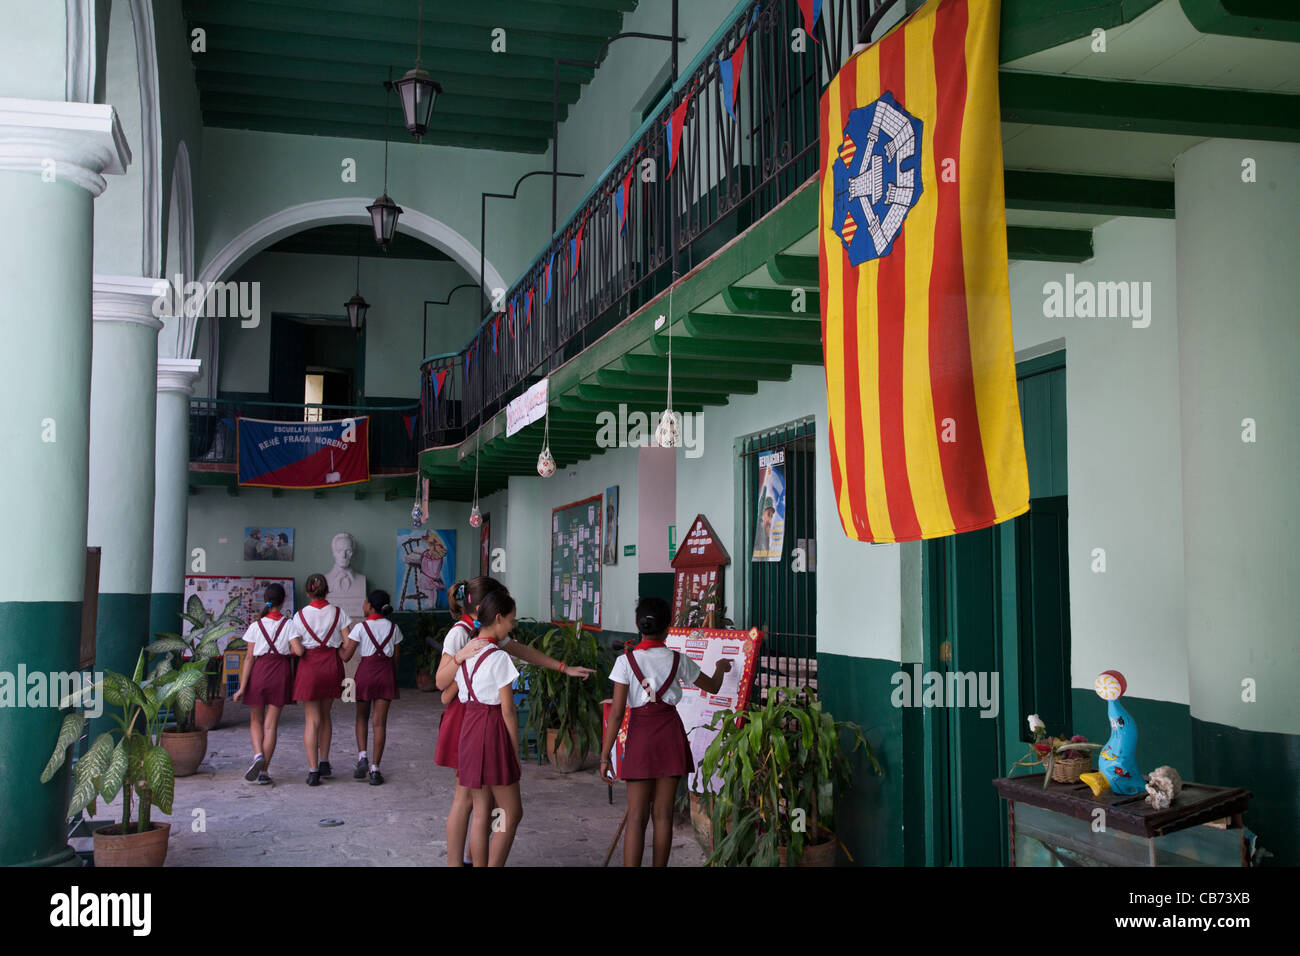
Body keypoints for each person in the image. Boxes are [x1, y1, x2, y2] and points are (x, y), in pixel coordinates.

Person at [434, 576, 597, 866]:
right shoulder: (461, 636)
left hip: (473, 718)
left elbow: (521, 650)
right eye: (510, 617)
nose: (513, 623)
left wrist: (562, 667)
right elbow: (443, 685)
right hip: (474, 718)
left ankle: (475, 859)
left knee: (482, 805)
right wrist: (459, 657)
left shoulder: (487, 636)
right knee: (467, 800)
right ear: (491, 610)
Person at [600, 596, 731, 867]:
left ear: (638, 625)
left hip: (639, 737)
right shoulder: (678, 659)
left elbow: (616, 713)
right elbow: (714, 687)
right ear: (668, 627)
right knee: (663, 816)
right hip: (669, 735)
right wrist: (720, 668)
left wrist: (604, 757)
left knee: (636, 817)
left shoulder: (625, 663)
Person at [453, 588, 523, 867]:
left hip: (469, 726)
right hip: (492, 728)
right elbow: (508, 709)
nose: (512, 626)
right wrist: (515, 751)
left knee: (481, 812)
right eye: (510, 620)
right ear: (497, 618)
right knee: (512, 811)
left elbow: (458, 693)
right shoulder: (499, 657)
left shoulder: (467, 653)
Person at [287, 573, 350, 786]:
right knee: (326, 715)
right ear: (327, 590)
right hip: (332, 666)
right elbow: (348, 644)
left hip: (309, 668)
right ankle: (325, 760)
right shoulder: (339, 613)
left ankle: (313, 770)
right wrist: (339, 651)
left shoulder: (299, 616)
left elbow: (296, 650)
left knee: (312, 720)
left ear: (307, 592)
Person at [231, 582, 294, 785]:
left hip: (259, 673)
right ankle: (264, 771)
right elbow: (298, 650)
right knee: (271, 725)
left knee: (255, 721)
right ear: (284, 601)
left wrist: (242, 687)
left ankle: (258, 755)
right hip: (280, 672)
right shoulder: (289, 624)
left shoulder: (255, 626)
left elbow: (249, 658)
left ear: (266, 599)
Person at [341, 589, 401, 785]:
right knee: (379, 723)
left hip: (365, 673)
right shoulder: (394, 628)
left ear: (370, 606)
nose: (363, 605)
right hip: (385, 674)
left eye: (365, 602)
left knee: (361, 716)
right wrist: (390, 677)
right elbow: (396, 661)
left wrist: (335, 645)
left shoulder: (360, 628)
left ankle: (362, 757)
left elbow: (346, 656)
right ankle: (375, 769)